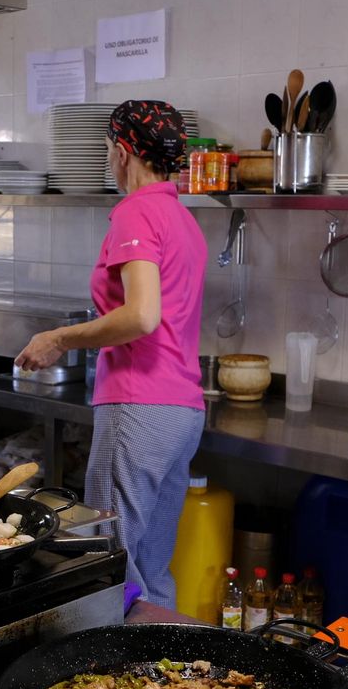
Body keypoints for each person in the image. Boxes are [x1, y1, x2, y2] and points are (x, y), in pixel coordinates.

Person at [16, 100, 206, 610]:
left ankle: (109, 659)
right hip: (183, 412)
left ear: (122, 152)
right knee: (150, 565)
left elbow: (142, 316)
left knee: (107, 560)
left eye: (106, 149)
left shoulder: (136, 211)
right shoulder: (182, 217)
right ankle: (159, 656)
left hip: (139, 406)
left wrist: (60, 338)